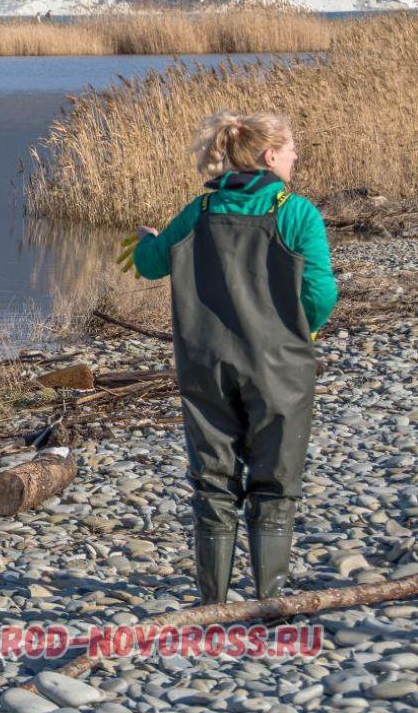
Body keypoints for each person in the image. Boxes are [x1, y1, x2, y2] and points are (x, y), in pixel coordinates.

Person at [132, 110, 337, 604]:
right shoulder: (297, 211)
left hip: (207, 365)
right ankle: (270, 599)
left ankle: (212, 605)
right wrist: (300, 329)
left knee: (213, 482)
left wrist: (146, 241)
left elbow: (150, 264)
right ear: (269, 156)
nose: (295, 159)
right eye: (291, 151)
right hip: (279, 367)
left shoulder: (199, 212)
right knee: (275, 481)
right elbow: (321, 293)